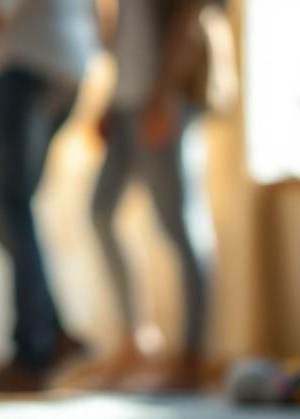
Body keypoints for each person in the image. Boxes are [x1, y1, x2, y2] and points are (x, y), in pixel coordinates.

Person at [0, 0, 99, 390]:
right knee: (10, 211)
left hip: (23, 63)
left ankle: (32, 354)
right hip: (69, 65)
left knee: (10, 208)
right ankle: (54, 332)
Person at [87, 0, 217, 389]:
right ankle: (137, 337)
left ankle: (192, 355)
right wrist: (111, 100)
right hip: (126, 102)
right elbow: (130, 41)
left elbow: (189, 16)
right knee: (100, 211)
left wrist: (163, 93)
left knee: (178, 223)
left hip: (165, 97)